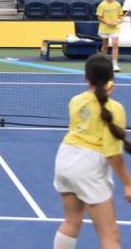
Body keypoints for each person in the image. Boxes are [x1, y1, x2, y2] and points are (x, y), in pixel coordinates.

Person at [53, 54, 131, 249]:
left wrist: (103, 93)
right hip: (89, 167)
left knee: (71, 221)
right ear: (111, 77)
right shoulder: (116, 109)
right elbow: (112, 154)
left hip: (65, 159)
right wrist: (128, 184)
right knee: (110, 235)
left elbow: (92, 108)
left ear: (86, 77)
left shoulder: (75, 101)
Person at [97, 0, 124, 72]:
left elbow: (121, 16)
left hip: (115, 28)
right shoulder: (102, 5)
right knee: (105, 46)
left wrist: (118, 21)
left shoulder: (117, 4)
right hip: (105, 28)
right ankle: (103, 63)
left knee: (115, 44)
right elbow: (99, 17)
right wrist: (107, 22)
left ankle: (115, 64)